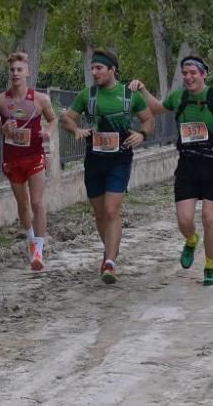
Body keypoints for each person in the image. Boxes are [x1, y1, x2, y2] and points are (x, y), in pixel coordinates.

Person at [129, 56, 213, 286]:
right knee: (185, 220)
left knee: (209, 218)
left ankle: (209, 267)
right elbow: (156, 108)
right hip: (187, 164)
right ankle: (191, 240)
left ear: (203, 74)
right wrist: (143, 90)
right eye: (185, 73)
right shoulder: (179, 97)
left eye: (192, 73)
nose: (188, 77)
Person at [61, 49, 155, 284]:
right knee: (100, 213)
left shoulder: (129, 96)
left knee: (112, 210)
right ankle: (110, 250)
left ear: (112, 70)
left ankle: (110, 262)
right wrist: (76, 129)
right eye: (92, 68)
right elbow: (67, 118)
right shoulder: (87, 95)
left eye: (99, 68)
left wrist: (142, 135)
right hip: (94, 160)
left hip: (119, 159)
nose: (94, 72)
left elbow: (149, 119)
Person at [0, 52, 58, 271]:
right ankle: (29, 238)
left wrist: (48, 131)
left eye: (19, 70)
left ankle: (38, 250)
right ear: (9, 73)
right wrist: (1, 129)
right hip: (12, 160)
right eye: (12, 70)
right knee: (23, 205)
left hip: (34, 157)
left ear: (27, 72)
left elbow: (53, 119)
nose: (15, 73)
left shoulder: (40, 99)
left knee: (37, 202)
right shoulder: (0, 100)